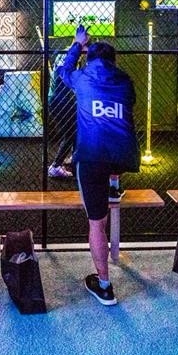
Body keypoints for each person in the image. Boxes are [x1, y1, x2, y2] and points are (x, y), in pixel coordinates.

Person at [54, 25, 139, 306]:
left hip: (91, 157)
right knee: (113, 141)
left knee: (97, 223)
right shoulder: (125, 81)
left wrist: (77, 45)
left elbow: (63, 71)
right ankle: (114, 185)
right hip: (123, 157)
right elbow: (129, 104)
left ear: (89, 59)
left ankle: (104, 285)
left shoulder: (82, 77)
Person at [47, 48, 77, 178]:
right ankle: (56, 165)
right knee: (70, 133)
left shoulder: (64, 54)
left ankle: (72, 158)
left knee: (74, 131)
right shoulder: (70, 56)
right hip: (62, 101)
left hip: (59, 99)